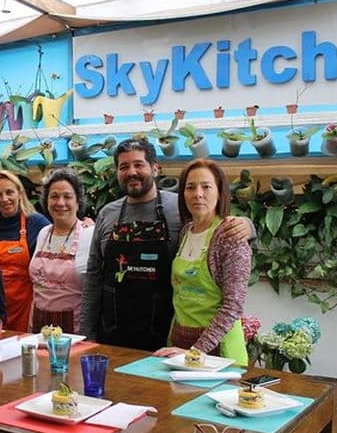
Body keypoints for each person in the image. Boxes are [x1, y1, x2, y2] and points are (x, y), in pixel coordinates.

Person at [79, 136, 252, 351]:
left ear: (155, 169)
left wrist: (247, 225)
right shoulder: (107, 214)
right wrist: (86, 337)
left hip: (164, 338)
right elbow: (93, 278)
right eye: (124, 166)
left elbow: (215, 226)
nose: (132, 172)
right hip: (114, 332)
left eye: (139, 164)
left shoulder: (181, 210)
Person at [152, 159, 251, 365]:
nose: (198, 193)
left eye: (206, 186)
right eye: (190, 187)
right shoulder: (186, 232)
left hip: (218, 350)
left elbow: (233, 306)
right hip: (179, 339)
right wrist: (184, 351)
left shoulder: (230, 236)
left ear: (220, 192)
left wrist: (195, 352)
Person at [0, 170, 50, 332]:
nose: (4, 199)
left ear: (20, 193)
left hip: (23, 306)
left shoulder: (37, 223)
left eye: (9, 192)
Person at [28, 168, 93, 334]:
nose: (60, 202)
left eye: (67, 196)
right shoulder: (43, 233)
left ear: (78, 202)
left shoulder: (89, 234)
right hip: (38, 327)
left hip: (74, 332)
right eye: (54, 196)